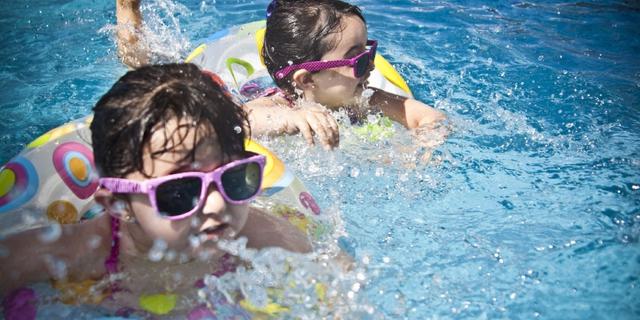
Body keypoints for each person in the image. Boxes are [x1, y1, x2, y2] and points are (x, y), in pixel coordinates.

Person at [0, 63, 311, 316]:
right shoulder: (74, 255)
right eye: (181, 192)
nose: (217, 205)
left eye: (233, 178)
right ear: (119, 204)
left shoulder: (262, 237)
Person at [115, 0, 447, 151]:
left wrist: (422, 147)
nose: (370, 66)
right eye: (356, 60)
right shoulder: (278, 106)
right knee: (149, 76)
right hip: (240, 88)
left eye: (369, 52)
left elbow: (427, 117)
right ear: (306, 80)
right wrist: (290, 120)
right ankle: (128, 8)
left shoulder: (366, 98)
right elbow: (234, 123)